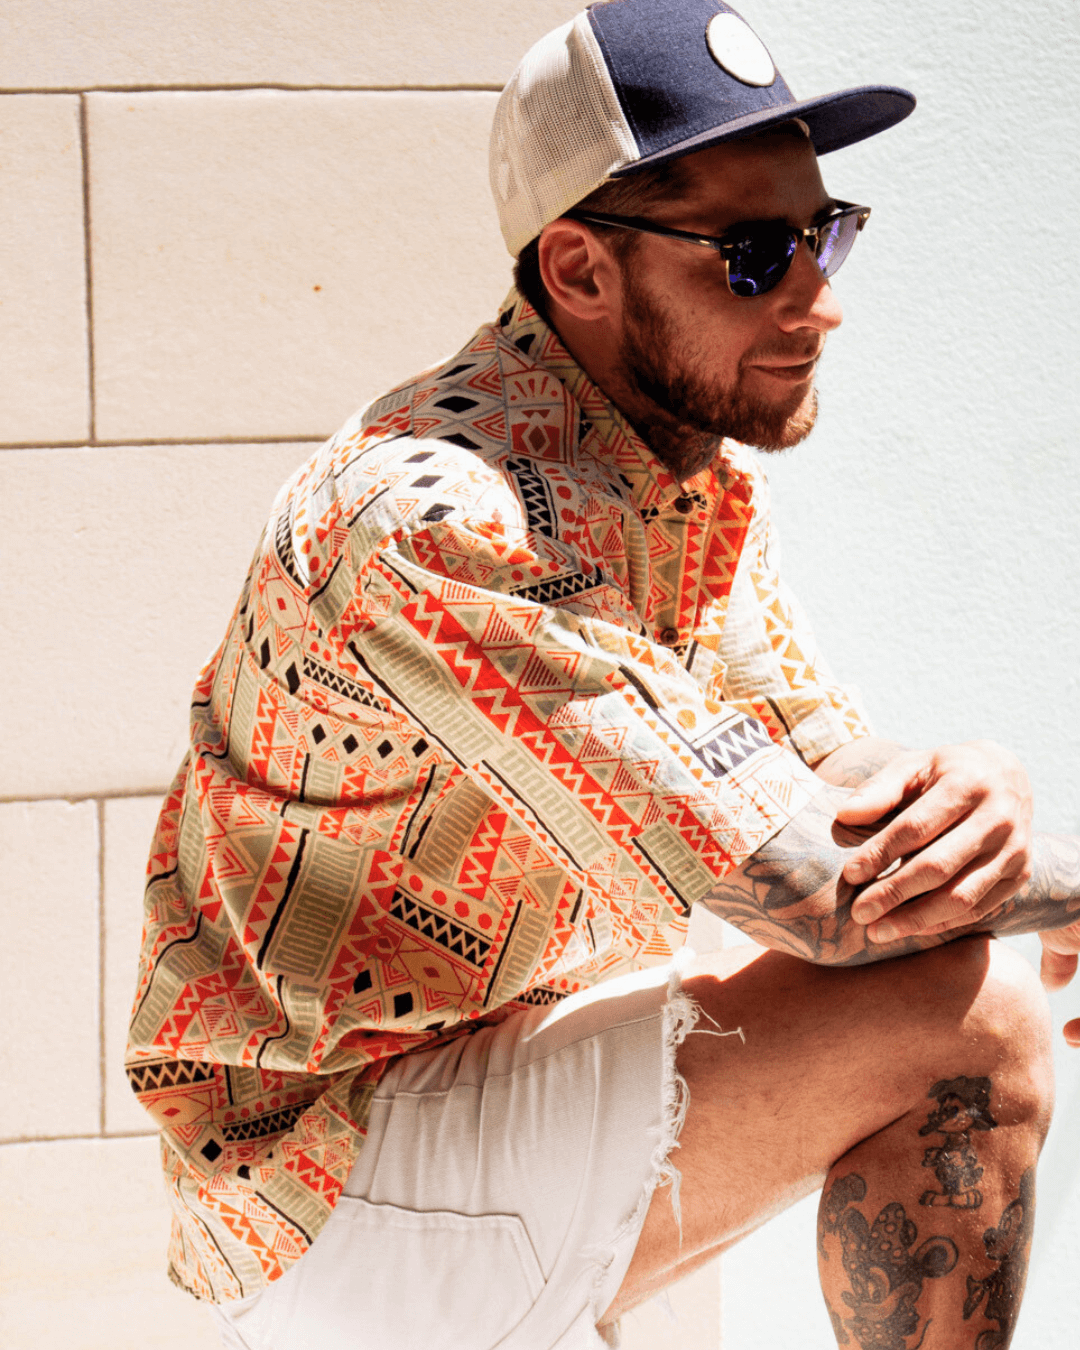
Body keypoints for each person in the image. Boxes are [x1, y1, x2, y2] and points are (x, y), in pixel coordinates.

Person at [126, 2, 1080, 1347]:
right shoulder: (438, 518)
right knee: (970, 1006)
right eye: (755, 255)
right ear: (577, 270)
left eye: (826, 230)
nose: (822, 296)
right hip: (330, 1181)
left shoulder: (674, 472)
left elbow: (832, 777)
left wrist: (983, 789)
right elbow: (823, 903)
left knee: (960, 951)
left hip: (491, 1087)